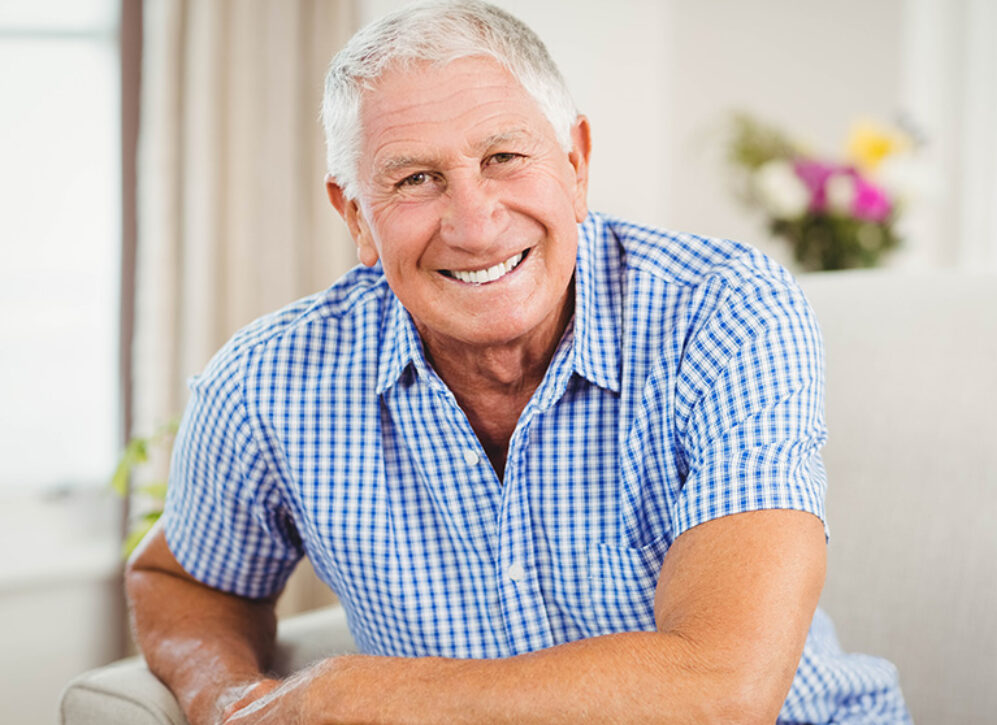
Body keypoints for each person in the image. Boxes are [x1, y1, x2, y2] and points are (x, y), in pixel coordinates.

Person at [126, 1, 910, 723]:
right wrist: (232, 703)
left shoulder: (724, 311)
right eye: (415, 179)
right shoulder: (266, 384)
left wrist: (360, 696)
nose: (474, 222)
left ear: (576, 162)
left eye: (504, 155)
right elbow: (182, 579)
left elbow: (722, 686)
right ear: (356, 216)